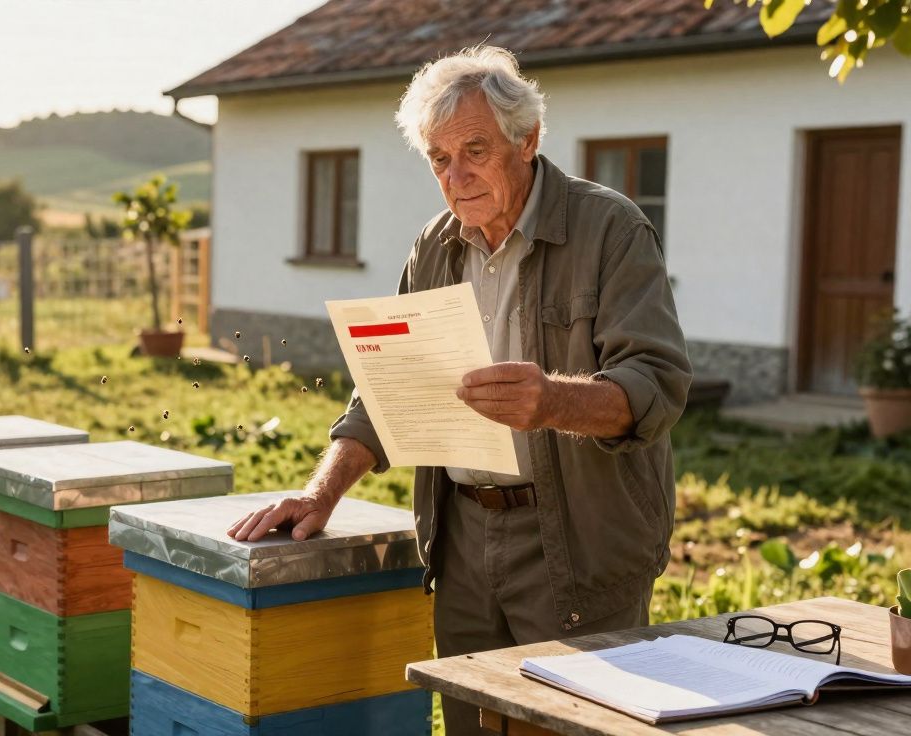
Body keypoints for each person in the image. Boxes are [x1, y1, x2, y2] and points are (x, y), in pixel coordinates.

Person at [227, 45, 691, 734]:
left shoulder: (611, 228)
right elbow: (388, 391)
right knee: (472, 724)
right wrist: (319, 493)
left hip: (581, 542)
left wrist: (553, 401)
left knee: (568, 724)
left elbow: (657, 386)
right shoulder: (435, 246)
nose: (456, 175)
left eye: (474, 149)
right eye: (439, 159)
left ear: (527, 140)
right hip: (463, 538)